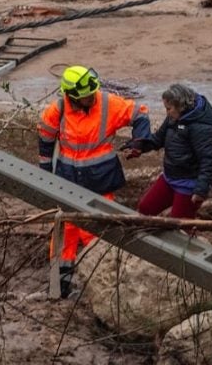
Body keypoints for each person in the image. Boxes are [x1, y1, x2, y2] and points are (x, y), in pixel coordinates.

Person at [37, 65, 151, 297]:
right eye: (86, 96)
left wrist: (140, 140)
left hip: (100, 181)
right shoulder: (57, 111)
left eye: (92, 94)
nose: (91, 98)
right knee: (64, 233)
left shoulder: (107, 103)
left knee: (98, 233)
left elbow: (140, 113)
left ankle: (101, 287)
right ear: (71, 96)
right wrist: (45, 173)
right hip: (68, 181)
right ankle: (58, 287)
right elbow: (45, 140)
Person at [127, 83, 212, 219]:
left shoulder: (201, 128)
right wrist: (139, 146)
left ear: (180, 106)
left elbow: (208, 160)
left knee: (179, 226)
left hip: (188, 184)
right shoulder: (173, 117)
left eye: (169, 109)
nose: (167, 112)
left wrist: (201, 190)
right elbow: (158, 139)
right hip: (169, 177)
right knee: (145, 208)